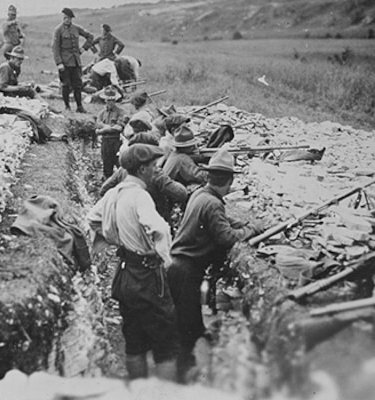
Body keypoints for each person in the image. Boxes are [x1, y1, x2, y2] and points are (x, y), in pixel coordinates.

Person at [167, 149, 265, 382]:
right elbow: (226, 237)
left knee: (190, 322)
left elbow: (223, 221)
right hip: (186, 270)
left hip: (179, 267)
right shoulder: (212, 204)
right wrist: (251, 230)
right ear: (229, 182)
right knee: (186, 330)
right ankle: (182, 378)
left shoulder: (201, 194)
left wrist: (242, 223)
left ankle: (188, 365)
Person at [87, 143, 180, 381]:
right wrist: (166, 259)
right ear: (141, 169)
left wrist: (116, 239)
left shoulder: (112, 194)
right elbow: (159, 228)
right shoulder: (140, 196)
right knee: (165, 344)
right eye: (152, 167)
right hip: (147, 276)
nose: (154, 171)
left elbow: (92, 219)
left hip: (124, 273)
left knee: (134, 341)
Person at [101, 133, 188, 223]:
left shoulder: (122, 170)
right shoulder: (155, 174)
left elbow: (104, 190)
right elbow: (181, 194)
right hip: (154, 223)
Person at [52, 7, 97, 113]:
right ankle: (67, 106)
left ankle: (79, 106)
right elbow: (55, 48)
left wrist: (83, 48)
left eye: (68, 18)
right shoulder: (58, 30)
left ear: (71, 19)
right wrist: (59, 63)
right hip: (64, 63)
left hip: (76, 62)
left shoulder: (76, 28)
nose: (66, 20)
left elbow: (90, 36)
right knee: (66, 85)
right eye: (64, 18)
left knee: (78, 85)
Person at [95, 86, 128, 178]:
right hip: (105, 143)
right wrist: (109, 128)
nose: (110, 103)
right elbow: (97, 126)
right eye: (108, 100)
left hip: (116, 142)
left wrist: (104, 129)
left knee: (120, 165)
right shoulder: (101, 113)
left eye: (113, 100)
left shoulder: (121, 112)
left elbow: (119, 128)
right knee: (106, 166)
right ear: (105, 100)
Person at [162, 125, 208, 190]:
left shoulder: (174, 154)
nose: (194, 147)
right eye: (191, 145)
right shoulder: (183, 158)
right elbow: (200, 176)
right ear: (186, 147)